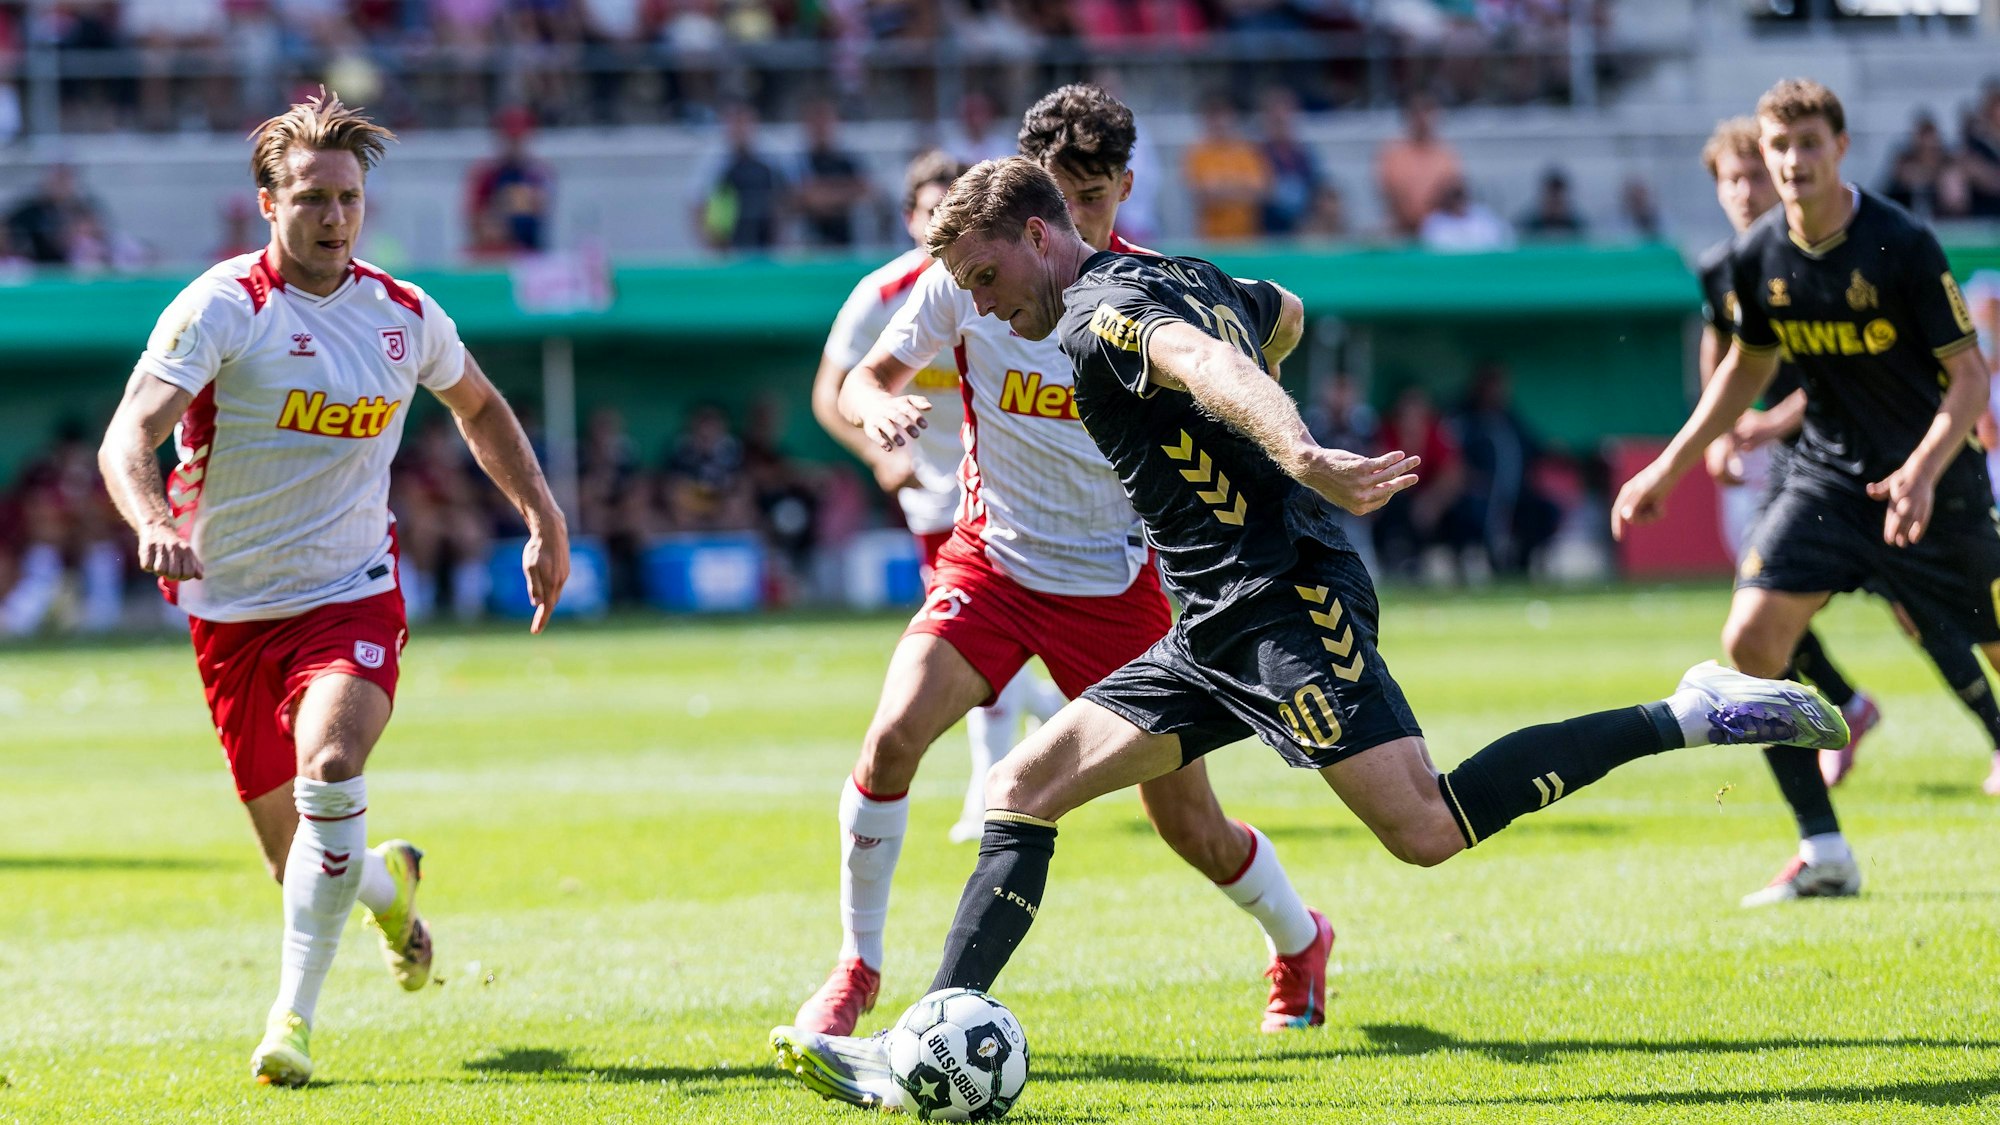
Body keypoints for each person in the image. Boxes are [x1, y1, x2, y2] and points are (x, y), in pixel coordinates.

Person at [768, 155, 1847, 1113]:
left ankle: (1688, 711)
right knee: (1019, 790)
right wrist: (1263, 408)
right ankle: (918, 1042)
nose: (987, 310)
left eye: (987, 280)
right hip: (1205, 617)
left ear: (1039, 235)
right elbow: (1275, 314)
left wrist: (1296, 451)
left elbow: (1211, 364)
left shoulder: (1105, 314)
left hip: (1285, 601)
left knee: (1424, 828)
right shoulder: (1170, 270)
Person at [790, 84, 1330, 1045]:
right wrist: (879, 412)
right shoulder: (970, 275)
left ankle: (1300, 938)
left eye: (1094, 200)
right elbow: (870, 375)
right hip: (994, 563)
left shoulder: (1149, 294)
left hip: (1124, 588)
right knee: (889, 741)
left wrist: (1267, 394)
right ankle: (856, 970)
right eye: (1057, 197)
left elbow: (1279, 321)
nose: (1071, 222)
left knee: (1191, 828)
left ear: (1125, 190)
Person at [94, 91, 569, 1088]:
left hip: (349, 592)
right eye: (311, 197)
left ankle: (289, 1026)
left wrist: (542, 516)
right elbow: (127, 436)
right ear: (268, 202)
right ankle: (389, 891)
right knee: (302, 864)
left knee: (334, 761)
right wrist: (151, 523)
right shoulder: (222, 307)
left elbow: (478, 408)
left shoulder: (402, 315)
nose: (334, 216)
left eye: (347, 197)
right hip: (228, 611)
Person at [1615, 81, 2000, 895]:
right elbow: (1744, 368)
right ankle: (1823, 850)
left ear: (1841, 148)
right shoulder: (1758, 257)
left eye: (1808, 145)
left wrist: (1924, 470)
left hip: (1935, 483)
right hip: (1827, 477)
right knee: (1752, 641)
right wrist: (1670, 465)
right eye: (1778, 146)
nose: (1792, 162)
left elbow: (1968, 376)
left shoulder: (1901, 242)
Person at [812, 149, 1065, 845]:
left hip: (1010, 491)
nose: (941, 221)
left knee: (985, 651)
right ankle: (1003, 772)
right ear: (909, 219)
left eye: (953, 206)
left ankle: (994, 785)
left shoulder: (1012, 284)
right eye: (929, 211)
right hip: (934, 496)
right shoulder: (883, 295)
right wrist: (878, 451)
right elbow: (832, 394)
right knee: (967, 651)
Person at [1183, 95, 1271, 242]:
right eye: (1214, 117)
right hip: (1212, 239)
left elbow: (1261, 191)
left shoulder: (1247, 151)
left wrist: (1221, 189)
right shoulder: (1197, 154)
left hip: (1249, 237)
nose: (1220, 123)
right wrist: (1239, 188)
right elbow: (1202, 195)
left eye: (1224, 117)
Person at [1376, 93, 1461, 239]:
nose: (1422, 118)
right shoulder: (1393, 155)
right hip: (1400, 232)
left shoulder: (1446, 156)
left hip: (1438, 233)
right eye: (1416, 112)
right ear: (1407, 116)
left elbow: (1452, 194)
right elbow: (1393, 197)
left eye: (1427, 111)